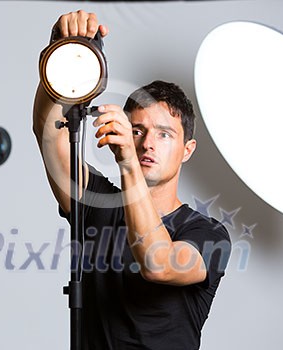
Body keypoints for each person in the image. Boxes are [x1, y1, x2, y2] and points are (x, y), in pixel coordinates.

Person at [33, 10, 231, 350]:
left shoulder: (208, 235)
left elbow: (159, 263)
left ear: (187, 150)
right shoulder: (97, 207)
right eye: (137, 130)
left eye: (164, 134)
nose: (147, 143)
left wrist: (128, 163)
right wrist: (62, 50)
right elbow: (48, 134)